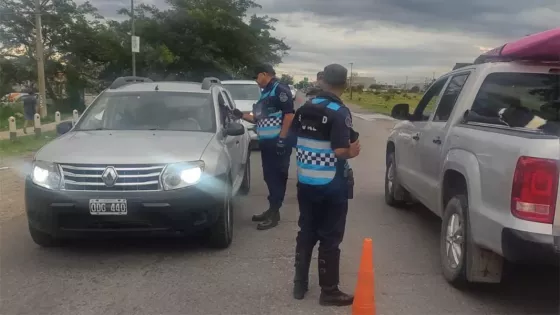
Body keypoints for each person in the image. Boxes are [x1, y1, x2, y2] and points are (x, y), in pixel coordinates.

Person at [289, 64, 360, 306]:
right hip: (331, 185)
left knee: (306, 232)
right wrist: (353, 151)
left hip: (306, 181)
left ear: (322, 80)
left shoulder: (305, 108)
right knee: (330, 238)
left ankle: (299, 285)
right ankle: (329, 291)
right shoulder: (339, 112)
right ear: (345, 85)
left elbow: (293, 138)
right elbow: (341, 150)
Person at [232, 64, 295, 230]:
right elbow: (258, 119)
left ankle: (274, 214)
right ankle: (272, 210)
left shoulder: (279, 89)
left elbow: (289, 115)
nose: (255, 81)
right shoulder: (266, 92)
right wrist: (241, 115)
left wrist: (282, 139)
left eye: (256, 77)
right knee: (269, 177)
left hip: (277, 142)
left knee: (276, 178)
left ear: (264, 74)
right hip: (267, 143)